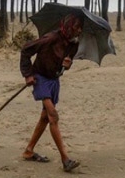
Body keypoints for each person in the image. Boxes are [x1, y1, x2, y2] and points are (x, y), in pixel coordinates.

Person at [19, 13, 83, 172]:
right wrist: (28, 75)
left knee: (45, 117)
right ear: (68, 26)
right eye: (76, 27)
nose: (79, 31)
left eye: (81, 28)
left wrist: (67, 65)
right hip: (40, 78)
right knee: (53, 115)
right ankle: (65, 160)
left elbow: (63, 67)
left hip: (54, 81)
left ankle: (29, 151)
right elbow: (26, 50)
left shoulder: (73, 44)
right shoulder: (50, 38)